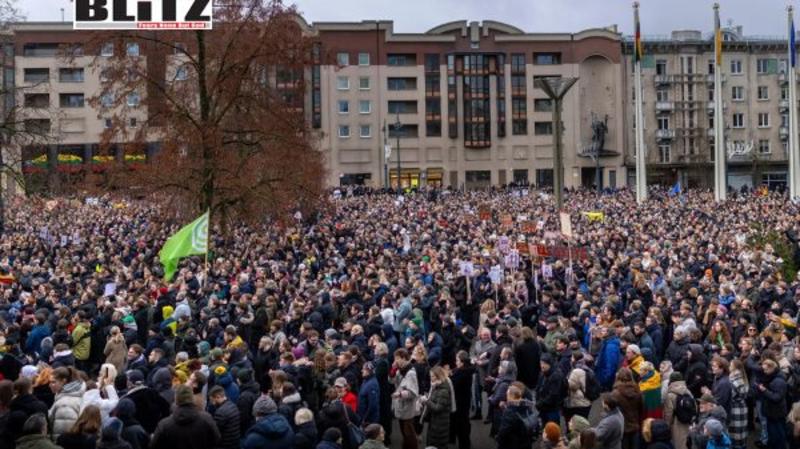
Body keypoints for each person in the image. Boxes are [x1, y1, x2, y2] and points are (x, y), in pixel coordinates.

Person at [150, 385, 221, 449]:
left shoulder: (164, 425)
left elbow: (153, 445)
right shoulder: (206, 419)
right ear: (192, 399)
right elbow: (217, 439)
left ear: (176, 400)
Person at [756, 358, 788, 449]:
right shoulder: (773, 377)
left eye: (766, 369)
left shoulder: (779, 381)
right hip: (772, 412)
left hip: (776, 413)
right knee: (773, 435)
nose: (764, 372)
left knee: (778, 436)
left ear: (772, 368)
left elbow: (776, 397)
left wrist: (764, 390)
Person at [49, 366, 86, 441]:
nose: (49, 385)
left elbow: (62, 434)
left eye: (53, 382)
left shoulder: (65, 405)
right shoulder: (71, 396)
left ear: (64, 381)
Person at [391, 349, 419, 449]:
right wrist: (393, 370)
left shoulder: (410, 373)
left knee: (409, 435)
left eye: (397, 358)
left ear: (403, 358)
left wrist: (400, 394)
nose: (395, 361)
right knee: (405, 433)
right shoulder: (400, 370)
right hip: (401, 407)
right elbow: (391, 381)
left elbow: (413, 392)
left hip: (407, 408)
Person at [422, 366, 453, 449]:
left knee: (437, 445)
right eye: (430, 376)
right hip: (436, 422)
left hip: (440, 425)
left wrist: (426, 401)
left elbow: (437, 408)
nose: (431, 378)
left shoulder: (443, 391)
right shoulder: (437, 386)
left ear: (438, 376)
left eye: (432, 376)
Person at [494, 385, 533, 449]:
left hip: (513, 444)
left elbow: (504, 431)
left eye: (507, 395)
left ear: (511, 396)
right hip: (526, 443)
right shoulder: (527, 406)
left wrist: (499, 439)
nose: (506, 397)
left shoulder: (509, 412)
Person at [611, 368, 642, 449]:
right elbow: (641, 408)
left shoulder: (615, 393)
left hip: (622, 428)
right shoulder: (637, 390)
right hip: (635, 426)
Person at [449, 351, 474, 449]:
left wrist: (450, 376)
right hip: (465, 400)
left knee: (461, 425)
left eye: (457, 360)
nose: (456, 362)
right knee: (464, 423)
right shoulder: (467, 370)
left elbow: (452, 384)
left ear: (462, 362)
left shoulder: (461, 372)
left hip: (460, 401)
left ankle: (464, 444)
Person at [663, 372, 692, 449]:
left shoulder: (670, 394)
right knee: (686, 443)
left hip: (676, 423)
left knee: (678, 444)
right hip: (687, 422)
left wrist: (667, 426)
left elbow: (668, 413)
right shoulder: (687, 391)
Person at [536, 354, 566, 425]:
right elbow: (538, 387)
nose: (542, 365)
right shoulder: (543, 373)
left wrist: (540, 403)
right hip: (543, 407)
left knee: (553, 427)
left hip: (552, 409)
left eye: (544, 363)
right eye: (541, 363)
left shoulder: (556, 376)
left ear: (550, 364)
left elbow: (553, 395)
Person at [357, 362, 379, 426]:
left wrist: (365, 419)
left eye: (363, 369)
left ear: (369, 371)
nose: (361, 371)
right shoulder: (365, 380)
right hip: (363, 417)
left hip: (369, 420)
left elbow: (372, 405)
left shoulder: (372, 384)